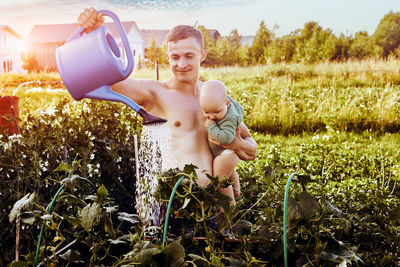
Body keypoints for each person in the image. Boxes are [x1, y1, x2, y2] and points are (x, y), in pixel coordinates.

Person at [77, 7, 257, 200]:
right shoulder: (156, 93)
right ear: (167, 57)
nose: (181, 64)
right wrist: (95, 33)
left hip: (217, 207)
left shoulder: (215, 95)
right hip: (180, 203)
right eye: (175, 57)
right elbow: (109, 78)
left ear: (202, 55)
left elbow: (251, 151)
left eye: (189, 55)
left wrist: (235, 143)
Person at [200, 80, 243, 203]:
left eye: (216, 112)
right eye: (206, 112)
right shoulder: (221, 106)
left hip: (226, 153)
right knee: (227, 173)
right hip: (223, 154)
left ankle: (229, 208)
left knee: (219, 182)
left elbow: (227, 138)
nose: (212, 117)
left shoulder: (230, 118)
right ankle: (237, 194)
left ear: (227, 103)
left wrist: (211, 127)